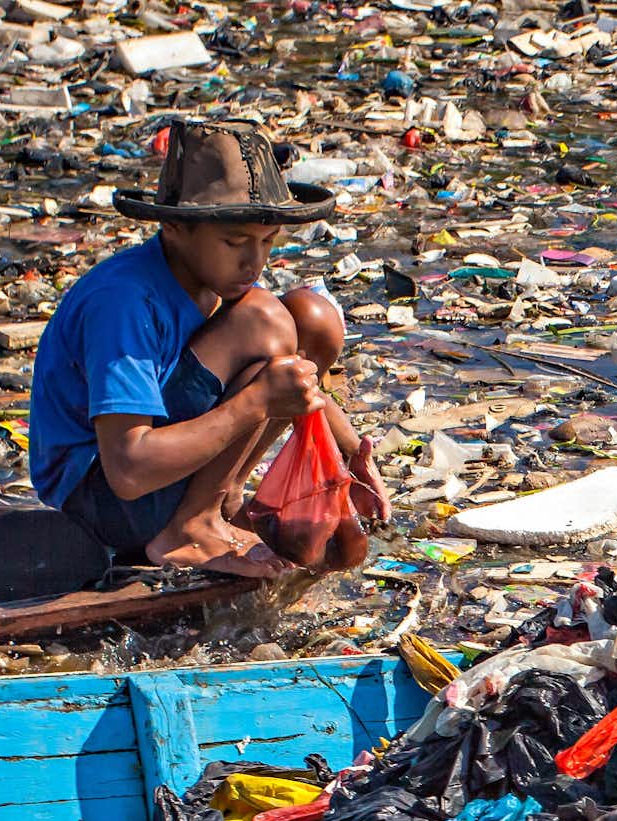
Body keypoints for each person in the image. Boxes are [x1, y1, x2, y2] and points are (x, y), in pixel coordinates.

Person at [28, 121, 390, 580]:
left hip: (154, 480)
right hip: (105, 504)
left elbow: (297, 373)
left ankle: (219, 503)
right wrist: (254, 403)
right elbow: (128, 469)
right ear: (175, 227)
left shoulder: (214, 277)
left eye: (267, 242)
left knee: (311, 319)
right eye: (235, 242)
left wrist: (353, 455)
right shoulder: (123, 303)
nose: (253, 261)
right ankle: (188, 528)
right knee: (267, 321)